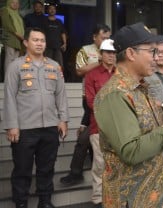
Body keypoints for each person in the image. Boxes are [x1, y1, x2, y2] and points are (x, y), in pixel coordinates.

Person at [93, 22, 163, 208]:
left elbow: (146, 129)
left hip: (155, 196)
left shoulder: (140, 88)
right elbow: (131, 151)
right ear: (131, 53)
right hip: (133, 199)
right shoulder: (115, 95)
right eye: (151, 51)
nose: (156, 58)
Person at [3, 27, 69, 208]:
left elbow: (61, 96)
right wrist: (12, 125)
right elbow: (9, 97)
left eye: (42, 40)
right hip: (24, 129)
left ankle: (45, 202)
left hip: (49, 127)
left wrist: (63, 119)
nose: (40, 43)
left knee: (46, 169)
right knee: (22, 170)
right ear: (26, 43)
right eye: (35, 40)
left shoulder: (54, 66)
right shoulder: (15, 66)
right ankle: (21, 203)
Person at [59, 24, 111, 186]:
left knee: (85, 135)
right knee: (87, 135)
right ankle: (77, 171)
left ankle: (78, 170)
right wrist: (100, 62)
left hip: (110, 102)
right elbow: (79, 71)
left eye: (108, 38)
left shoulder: (113, 50)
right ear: (94, 37)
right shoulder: (85, 50)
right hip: (89, 97)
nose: (106, 41)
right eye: (103, 38)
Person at [84, 38, 116, 208]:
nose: (111, 56)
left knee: (118, 164)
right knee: (100, 165)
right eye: (107, 52)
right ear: (101, 54)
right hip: (99, 127)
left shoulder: (121, 74)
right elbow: (91, 102)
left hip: (121, 128)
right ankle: (98, 199)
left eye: (113, 52)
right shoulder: (92, 75)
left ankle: (114, 198)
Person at [1, 0, 24, 81]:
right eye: (13, 2)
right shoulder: (5, 10)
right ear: (9, 3)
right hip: (10, 38)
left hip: (18, 40)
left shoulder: (17, 14)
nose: (15, 4)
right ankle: (7, 79)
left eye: (17, 3)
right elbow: (7, 24)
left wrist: (21, 37)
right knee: (9, 59)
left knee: (15, 61)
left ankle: (13, 79)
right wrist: (18, 34)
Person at [44, 3, 67, 68]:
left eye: (53, 9)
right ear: (48, 10)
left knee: (59, 66)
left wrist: (65, 43)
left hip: (57, 47)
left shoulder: (59, 22)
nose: (52, 10)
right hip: (47, 47)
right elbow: (41, 33)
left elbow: (63, 33)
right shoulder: (44, 20)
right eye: (50, 9)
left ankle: (58, 78)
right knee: (47, 65)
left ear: (55, 10)